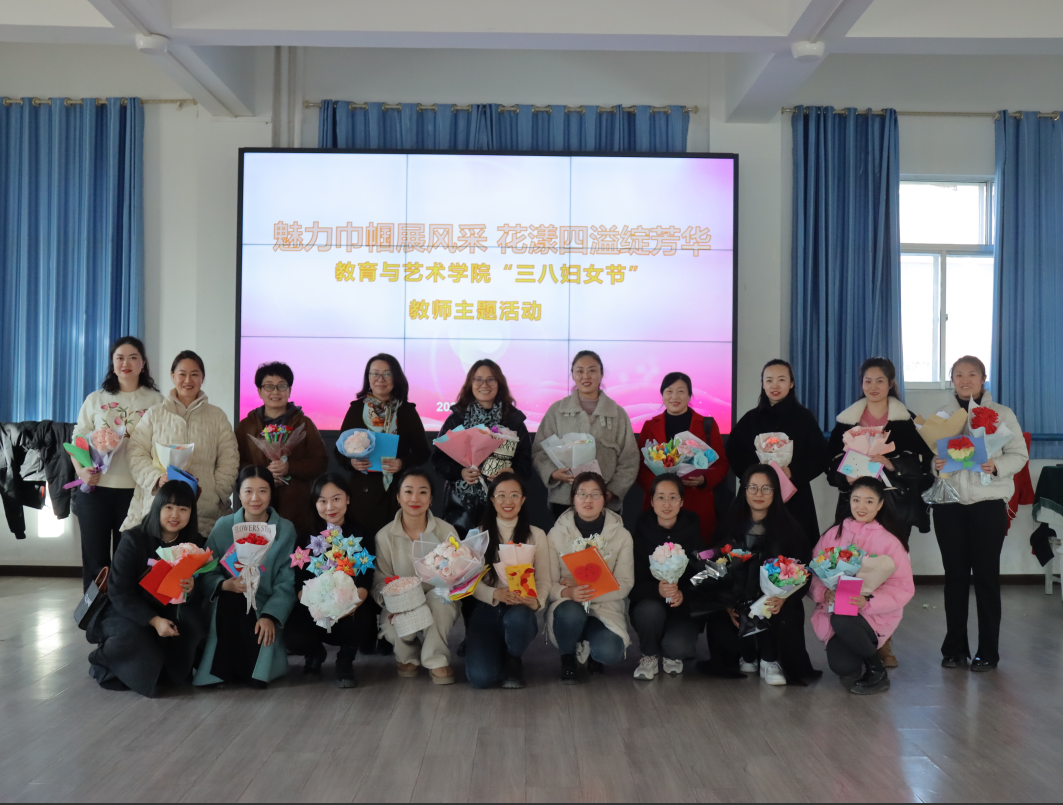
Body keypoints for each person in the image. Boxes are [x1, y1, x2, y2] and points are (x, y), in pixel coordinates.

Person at [932, 356, 1028, 671]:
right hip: (949, 506)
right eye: (958, 374)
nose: (965, 380)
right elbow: (930, 457)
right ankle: (954, 649)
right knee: (955, 578)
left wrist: (995, 465)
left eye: (972, 374)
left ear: (983, 379)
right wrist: (935, 464)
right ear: (952, 380)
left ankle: (988, 652)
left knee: (986, 578)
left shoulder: (1002, 414)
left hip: (988, 504)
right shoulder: (942, 415)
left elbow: (1019, 454)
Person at [86, 479, 206, 697]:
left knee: (193, 623)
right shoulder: (134, 539)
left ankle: (171, 673)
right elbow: (119, 591)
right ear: (157, 507)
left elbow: (203, 585)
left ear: (191, 512)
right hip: (127, 609)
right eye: (168, 507)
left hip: (169, 607)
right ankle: (104, 662)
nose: (175, 515)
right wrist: (154, 620)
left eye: (183, 509)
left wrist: (192, 586)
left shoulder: (195, 543)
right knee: (136, 637)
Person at [701, 464, 819, 686]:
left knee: (779, 609)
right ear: (744, 490)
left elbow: (803, 572)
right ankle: (746, 655)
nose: (759, 494)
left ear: (776, 492)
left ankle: (770, 658)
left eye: (766, 488)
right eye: (753, 487)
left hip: (775, 603)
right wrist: (727, 603)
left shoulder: (791, 529)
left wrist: (784, 597)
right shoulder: (728, 526)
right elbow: (714, 569)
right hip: (737, 601)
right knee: (721, 611)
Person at [71, 336, 165, 591]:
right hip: (96, 491)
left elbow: (163, 444)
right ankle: (96, 613)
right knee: (96, 563)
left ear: (143, 363)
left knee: (130, 562)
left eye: (133, 357)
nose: (126, 363)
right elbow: (78, 440)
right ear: (112, 364)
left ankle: (125, 613)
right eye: (120, 358)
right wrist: (81, 471)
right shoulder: (96, 399)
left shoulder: (156, 401)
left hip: (137, 493)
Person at [810, 477, 915, 695]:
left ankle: (877, 670)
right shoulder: (833, 534)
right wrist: (824, 592)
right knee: (842, 666)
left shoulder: (891, 541)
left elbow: (903, 588)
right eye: (856, 500)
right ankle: (860, 655)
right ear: (849, 501)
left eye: (869, 501)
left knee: (841, 617)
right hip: (836, 612)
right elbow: (814, 573)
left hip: (871, 616)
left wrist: (867, 602)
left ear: (880, 504)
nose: (861, 506)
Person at [194, 466, 297, 688]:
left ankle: (252, 668)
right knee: (231, 601)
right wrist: (224, 585)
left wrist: (270, 615)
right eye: (248, 491)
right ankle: (222, 671)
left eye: (263, 491)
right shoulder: (223, 526)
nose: (255, 498)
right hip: (228, 603)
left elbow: (287, 581)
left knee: (259, 629)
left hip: (265, 604)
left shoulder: (285, 529)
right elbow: (205, 568)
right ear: (239, 494)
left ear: (271, 493)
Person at [124, 350, 240, 536]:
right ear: (173, 376)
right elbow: (135, 453)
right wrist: (157, 479)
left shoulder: (217, 416)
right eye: (182, 374)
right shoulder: (155, 414)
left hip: (205, 512)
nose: (188, 380)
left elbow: (230, 458)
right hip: (159, 508)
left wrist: (216, 492)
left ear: (202, 378)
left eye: (194, 374)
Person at [827, 357, 933, 543]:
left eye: (880, 381)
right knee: (854, 556)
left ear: (890, 384)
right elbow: (830, 462)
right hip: (856, 505)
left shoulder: (906, 420)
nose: (873, 386)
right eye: (868, 381)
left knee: (892, 555)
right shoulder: (847, 421)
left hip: (894, 505)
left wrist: (892, 464)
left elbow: (923, 464)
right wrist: (845, 476)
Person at [284, 473, 376, 688]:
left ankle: (345, 660)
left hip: (350, 607)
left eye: (336, 499)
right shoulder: (305, 536)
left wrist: (345, 607)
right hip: (315, 607)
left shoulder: (362, 534)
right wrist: (318, 608)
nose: (330, 507)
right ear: (314, 503)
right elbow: (299, 582)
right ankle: (315, 654)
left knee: (362, 618)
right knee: (292, 635)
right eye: (322, 501)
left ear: (347, 499)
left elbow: (365, 582)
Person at [726, 359, 829, 547]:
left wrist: (793, 472)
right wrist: (756, 474)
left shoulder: (804, 418)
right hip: (757, 496)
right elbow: (735, 453)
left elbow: (820, 456)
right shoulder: (751, 419)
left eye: (781, 380)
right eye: (769, 380)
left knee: (796, 549)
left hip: (795, 498)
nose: (775, 385)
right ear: (763, 384)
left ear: (791, 383)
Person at [544, 472, 634, 684]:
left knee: (610, 652)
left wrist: (583, 588)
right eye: (582, 494)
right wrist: (568, 592)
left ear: (605, 498)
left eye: (595, 494)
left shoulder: (621, 535)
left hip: (605, 607)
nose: (588, 500)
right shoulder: (556, 534)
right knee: (570, 612)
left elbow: (625, 584)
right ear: (573, 498)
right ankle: (568, 656)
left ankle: (593, 649)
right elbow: (549, 583)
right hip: (570, 605)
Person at [371, 469, 459, 685]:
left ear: (431, 499)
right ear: (398, 497)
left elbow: (458, 573)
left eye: (422, 492)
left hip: (437, 594)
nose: (415, 498)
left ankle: (435, 659)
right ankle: (408, 656)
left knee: (440, 606)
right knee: (391, 624)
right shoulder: (384, 536)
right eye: (408, 491)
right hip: (401, 599)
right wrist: (394, 602)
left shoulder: (446, 531)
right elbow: (380, 580)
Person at [464, 473, 548, 690]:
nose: (507, 501)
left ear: (523, 499)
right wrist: (494, 594)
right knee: (481, 678)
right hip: (487, 608)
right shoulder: (477, 535)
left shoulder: (536, 535)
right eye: (501, 495)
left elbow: (544, 580)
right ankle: (497, 649)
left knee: (519, 620)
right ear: (492, 500)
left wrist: (536, 602)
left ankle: (513, 657)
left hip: (520, 608)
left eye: (514, 495)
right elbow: (467, 580)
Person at [431, 359, 534, 536]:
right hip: (461, 508)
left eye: (490, 379)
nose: (484, 385)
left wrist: (511, 472)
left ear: (499, 383)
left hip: (502, 503)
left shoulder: (513, 420)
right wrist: (460, 472)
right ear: (470, 384)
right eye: (478, 379)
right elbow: (438, 459)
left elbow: (525, 463)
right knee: (462, 551)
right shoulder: (457, 418)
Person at [533, 351, 640, 519]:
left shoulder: (617, 414)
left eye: (592, 370)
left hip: (605, 502)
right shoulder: (557, 411)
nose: (586, 376)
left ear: (601, 374)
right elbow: (539, 451)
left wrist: (611, 492)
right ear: (573, 375)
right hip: (564, 500)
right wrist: (553, 473)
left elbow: (630, 459)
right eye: (580, 371)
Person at [337, 354, 431, 535]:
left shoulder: (406, 411)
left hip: (397, 492)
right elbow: (339, 451)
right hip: (364, 493)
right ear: (368, 378)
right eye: (375, 374)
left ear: (396, 378)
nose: (380, 379)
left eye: (387, 374)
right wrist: (352, 463)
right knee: (364, 543)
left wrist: (402, 463)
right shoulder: (356, 409)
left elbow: (423, 452)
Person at [235, 361, 328, 536]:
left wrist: (288, 467)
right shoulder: (246, 426)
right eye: (269, 386)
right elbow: (236, 463)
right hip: (255, 510)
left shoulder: (304, 423)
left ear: (289, 390)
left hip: (296, 510)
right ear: (259, 391)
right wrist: (263, 474)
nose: (275, 392)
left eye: (282, 386)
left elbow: (320, 462)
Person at [635, 372, 729, 543]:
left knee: (697, 550)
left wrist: (703, 480)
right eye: (669, 391)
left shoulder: (707, 425)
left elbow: (722, 463)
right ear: (662, 394)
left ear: (689, 395)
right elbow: (640, 466)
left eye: (680, 391)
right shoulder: (650, 426)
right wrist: (658, 488)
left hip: (696, 502)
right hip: (661, 504)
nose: (674, 396)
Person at [630, 474, 704, 681]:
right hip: (650, 606)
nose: (667, 504)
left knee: (678, 647)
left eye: (673, 497)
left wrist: (683, 593)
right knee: (649, 611)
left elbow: (703, 579)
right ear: (652, 501)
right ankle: (649, 654)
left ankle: (672, 651)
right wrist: (657, 590)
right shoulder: (640, 535)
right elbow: (632, 585)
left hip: (683, 610)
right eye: (660, 497)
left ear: (681, 501)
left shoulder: (694, 533)